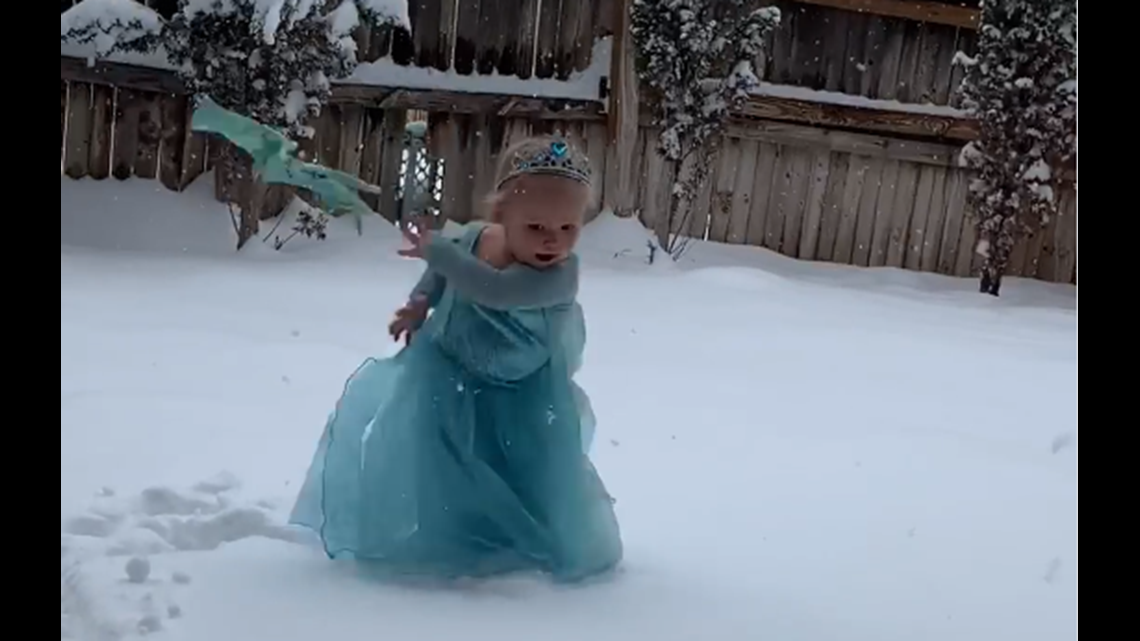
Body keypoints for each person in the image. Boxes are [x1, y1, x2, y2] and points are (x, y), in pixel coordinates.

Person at [290, 136, 622, 583]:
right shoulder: (472, 238)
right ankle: (449, 529)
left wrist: (438, 250)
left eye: (568, 229)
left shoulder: (560, 277)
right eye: (537, 227)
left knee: (521, 467)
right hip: (450, 370)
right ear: (500, 216)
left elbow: (495, 291)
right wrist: (419, 303)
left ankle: (526, 533)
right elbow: (442, 274)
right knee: (443, 459)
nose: (553, 241)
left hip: (520, 387)